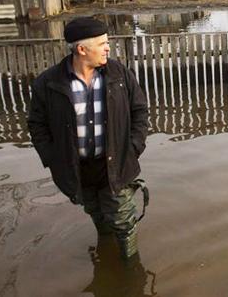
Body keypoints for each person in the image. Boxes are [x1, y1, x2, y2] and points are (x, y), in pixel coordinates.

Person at [28, 17, 149, 259]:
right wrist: (53, 158)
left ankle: (130, 269)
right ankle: (106, 252)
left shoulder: (120, 74)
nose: (108, 48)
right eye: (102, 43)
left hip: (115, 163)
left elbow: (140, 111)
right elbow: (37, 124)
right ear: (82, 49)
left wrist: (134, 147)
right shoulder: (49, 82)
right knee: (95, 212)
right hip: (77, 169)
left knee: (123, 219)